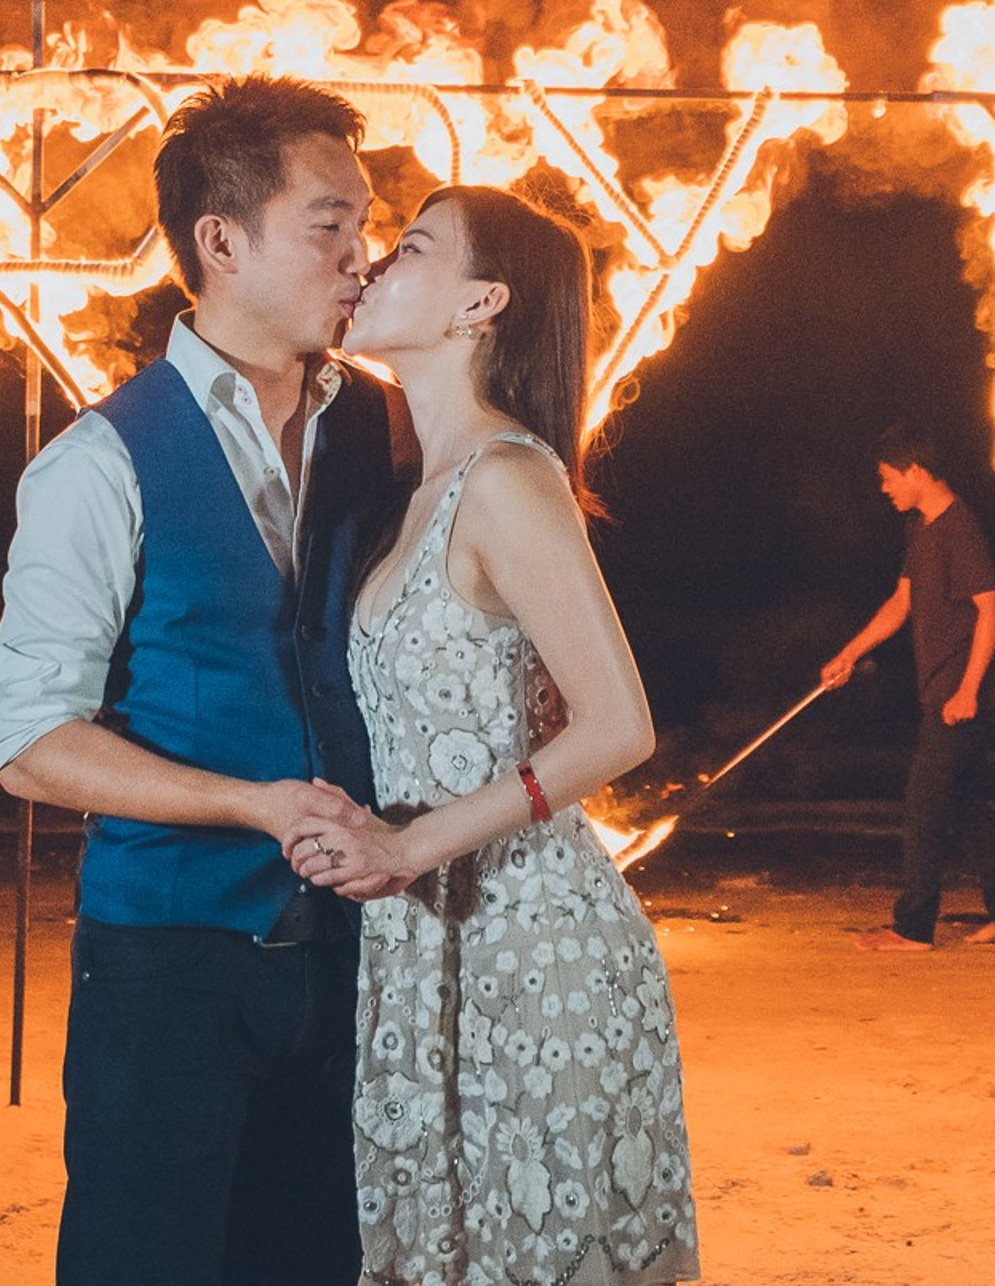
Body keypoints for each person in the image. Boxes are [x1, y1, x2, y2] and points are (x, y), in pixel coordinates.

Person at [0, 74, 400, 1286]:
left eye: (367, 224)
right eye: (329, 223)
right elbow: (28, 739)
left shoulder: (386, 430)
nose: (361, 256)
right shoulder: (98, 460)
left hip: (352, 950)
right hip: (168, 955)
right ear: (221, 241)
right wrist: (252, 803)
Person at [291, 184, 700, 1286]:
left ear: (481, 302)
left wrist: (405, 845)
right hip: (425, 937)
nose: (374, 265)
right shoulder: (415, 489)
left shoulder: (508, 478)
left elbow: (619, 725)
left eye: (412, 247)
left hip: (531, 941)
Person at [820, 425, 995, 952]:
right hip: (945, 685)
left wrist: (967, 690)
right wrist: (850, 653)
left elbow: (992, 610)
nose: (884, 488)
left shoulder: (959, 528)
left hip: (967, 690)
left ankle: (913, 927)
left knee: (924, 803)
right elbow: (901, 603)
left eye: (888, 478)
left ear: (915, 470)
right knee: (967, 801)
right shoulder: (919, 528)